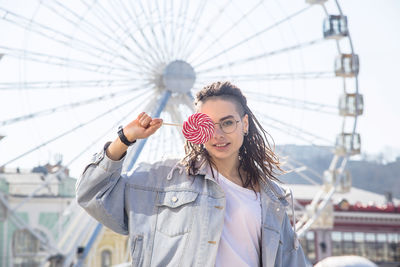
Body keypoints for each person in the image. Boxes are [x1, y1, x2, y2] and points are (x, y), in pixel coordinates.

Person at [76, 81, 308, 267]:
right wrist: (124, 139)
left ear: (244, 124)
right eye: (206, 125)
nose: (217, 134)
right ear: (195, 130)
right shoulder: (161, 181)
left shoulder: (272, 198)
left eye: (227, 123)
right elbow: (92, 193)